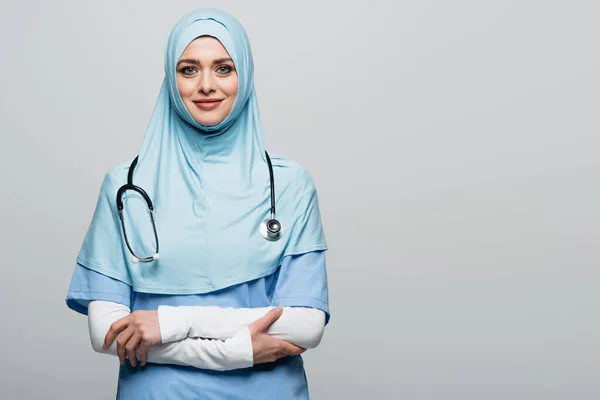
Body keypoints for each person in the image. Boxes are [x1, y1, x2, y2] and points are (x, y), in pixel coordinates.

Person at [65, 8, 330, 400]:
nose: (206, 85)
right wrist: (235, 352)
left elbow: (305, 326)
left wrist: (170, 322)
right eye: (189, 70)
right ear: (171, 81)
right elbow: (106, 333)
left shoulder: (288, 185)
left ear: (245, 75)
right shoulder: (126, 185)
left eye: (223, 68)